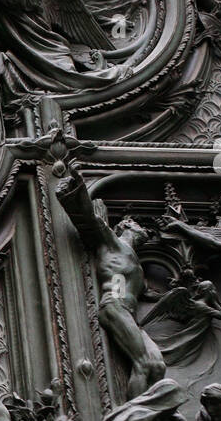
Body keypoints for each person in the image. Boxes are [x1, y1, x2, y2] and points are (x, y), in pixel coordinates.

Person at [57, 168, 165, 397]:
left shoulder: (135, 262)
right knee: (144, 364)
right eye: (137, 225)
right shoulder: (114, 244)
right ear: (124, 226)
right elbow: (91, 218)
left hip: (131, 316)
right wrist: (76, 189)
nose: (143, 229)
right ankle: (131, 419)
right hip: (115, 306)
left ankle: (153, 418)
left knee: (157, 366)